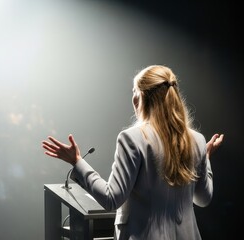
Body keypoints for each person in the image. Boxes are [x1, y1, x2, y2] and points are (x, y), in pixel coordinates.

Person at [41, 65, 224, 240]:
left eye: (134, 91)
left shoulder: (132, 138)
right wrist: (205, 158)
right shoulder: (197, 140)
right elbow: (203, 199)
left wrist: (77, 162)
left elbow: (111, 199)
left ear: (141, 96)